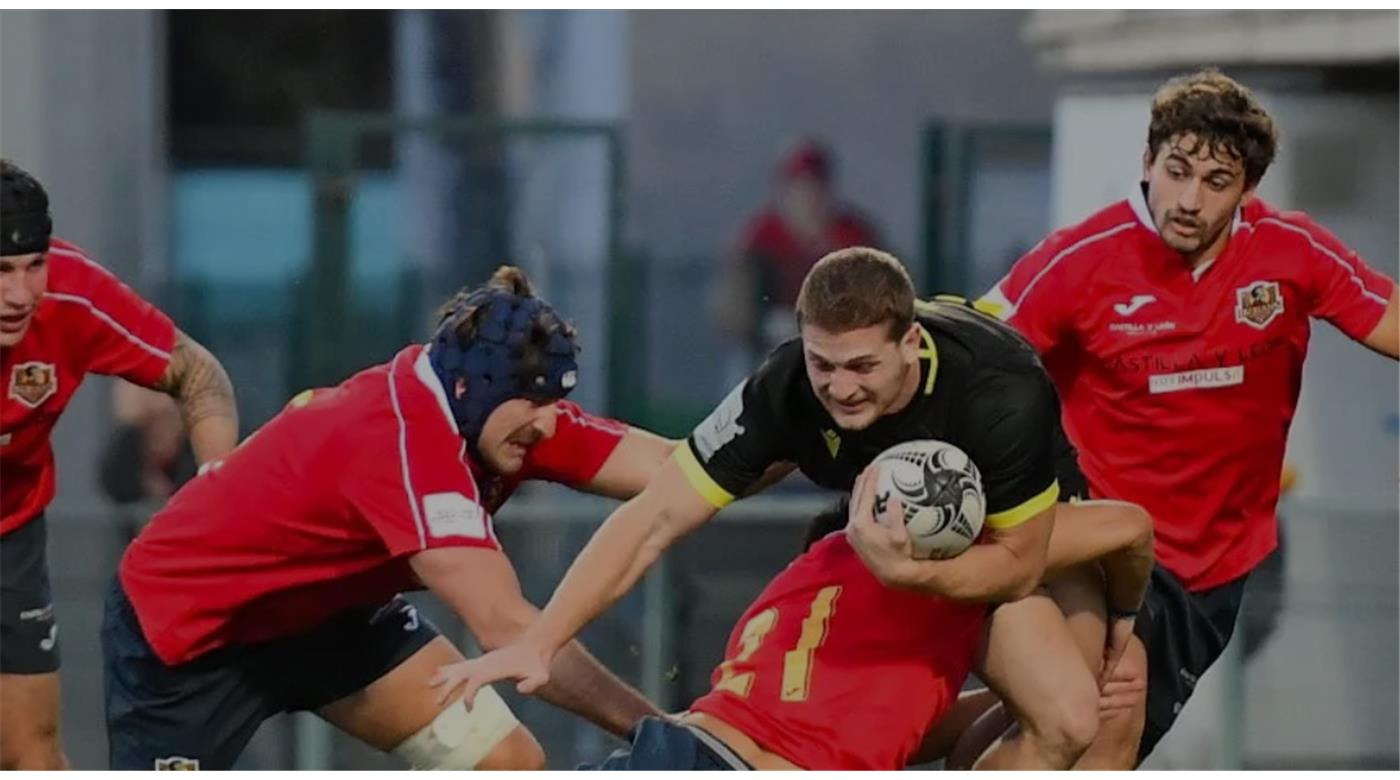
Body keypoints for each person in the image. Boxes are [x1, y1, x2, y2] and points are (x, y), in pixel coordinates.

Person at [436, 247, 1142, 769]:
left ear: (911, 342)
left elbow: (1036, 560)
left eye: (862, 366)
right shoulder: (785, 389)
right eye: (823, 364)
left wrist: (1122, 613)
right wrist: (544, 636)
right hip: (857, 569)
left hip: (1020, 533)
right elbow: (655, 514)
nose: (840, 387)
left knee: (1087, 714)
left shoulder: (999, 397)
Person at [980, 68, 1399, 766]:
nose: (1187, 199)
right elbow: (974, 349)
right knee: (1108, 703)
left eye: (1215, 182)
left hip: (1216, 564)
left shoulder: (1292, 253)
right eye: (1176, 171)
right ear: (1147, 163)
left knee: (1075, 733)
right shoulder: (1081, 259)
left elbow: (1387, 318)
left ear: (1247, 191)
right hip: (1100, 535)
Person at [102, 266, 672, 770]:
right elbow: (509, 627)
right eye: (534, 405)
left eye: (553, 405)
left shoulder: (506, 414)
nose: (548, 425)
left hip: (332, 619)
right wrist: (656, 734)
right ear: (471, 389)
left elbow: (683, 471)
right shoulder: (405, 444)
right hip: (191, 634)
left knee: (505, 765)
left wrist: (762, 424)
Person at [433, 466, 1153, 770]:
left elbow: (897, 716)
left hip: (678, 753)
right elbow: (1127, 527)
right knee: (1077, 719)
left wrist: (999, 701)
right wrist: (1117, 625)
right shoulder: (949, 558)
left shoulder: (812, 583)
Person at [0, 159, 239, 770]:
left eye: (33, 267)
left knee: (33, 748)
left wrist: (220, 495)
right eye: (1, 272)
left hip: (10, 533)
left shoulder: (74, 295)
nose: (21, 294)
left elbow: (197, 373)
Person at [710, 140, 882, 385]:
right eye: (799, 187)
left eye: (815, 187)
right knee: (743, 377)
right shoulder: (763, 235)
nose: (808, 196)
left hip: (839, 348)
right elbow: (730, 305)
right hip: (768, 347)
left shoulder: (853, 235)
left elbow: (882, 295)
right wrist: (764, 324)